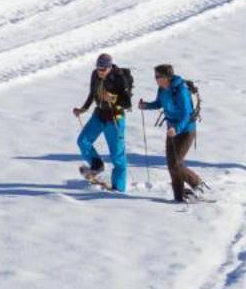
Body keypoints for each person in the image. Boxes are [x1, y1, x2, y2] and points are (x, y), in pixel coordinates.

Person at [138, 63, 205, 203]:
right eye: (155, 76)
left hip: (186, 130)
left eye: (158, 76)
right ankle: (179, 196)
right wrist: (146, 106)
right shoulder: (162, 89)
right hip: (171, 130)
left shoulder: (181, 90)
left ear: (166, 77)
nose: (155, 79)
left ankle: (197, 184)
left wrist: (177, 129)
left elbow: (187, 114)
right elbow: (159, 103)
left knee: (176, 163)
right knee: (171, 165)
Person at [71, 52, 131, 192]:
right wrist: (83, 109)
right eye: (98, 68)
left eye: (103, 69)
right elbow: (92, 93)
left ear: (109, 67)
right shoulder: (95, 75)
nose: (100, 72)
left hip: (115, 118)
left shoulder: (119, 78)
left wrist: (114, 98)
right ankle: (97, 165)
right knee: (83, 141)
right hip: (100, 114)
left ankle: (119, 189)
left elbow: (127, 103)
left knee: (117, 156)